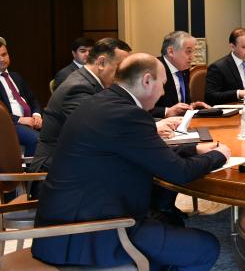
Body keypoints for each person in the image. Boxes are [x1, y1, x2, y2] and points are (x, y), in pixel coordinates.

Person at [31, 53, 230, 271]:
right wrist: (219, 155)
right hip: (91, 231)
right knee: (204, 247)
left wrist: (194, 150)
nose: (163, 92)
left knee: (169, 224)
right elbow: (177, 172)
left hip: (69, 220)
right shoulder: (127, 115)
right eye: (162, 84)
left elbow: (146, 153)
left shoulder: (102, 103)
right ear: (147, 80)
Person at [31, 38, 135, 174]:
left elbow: (115, 116)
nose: (122, 74)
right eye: (120, 68)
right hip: (55, 169)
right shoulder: (78, 88)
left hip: (79, 159)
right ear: (101, 62)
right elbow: (96, 131)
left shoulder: (92, 82)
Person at [0, 36, 43, 156]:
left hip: (30, 120)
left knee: (58, 132)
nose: (2, 59)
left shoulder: (16, 76)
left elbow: (33, 99)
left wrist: (37, 115)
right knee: (36, 139)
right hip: (9, 124)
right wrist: (20, 119)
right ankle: (29, 168)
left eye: (4, 54)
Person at [152, 31, 209, 118]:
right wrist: (167, 111)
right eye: (188, 51)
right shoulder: (153, 69)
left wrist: (191, 106)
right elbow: (140, 107)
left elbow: (178, 104)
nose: (192, 57)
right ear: (171, 52)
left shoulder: (184, 69)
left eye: (193, 52)